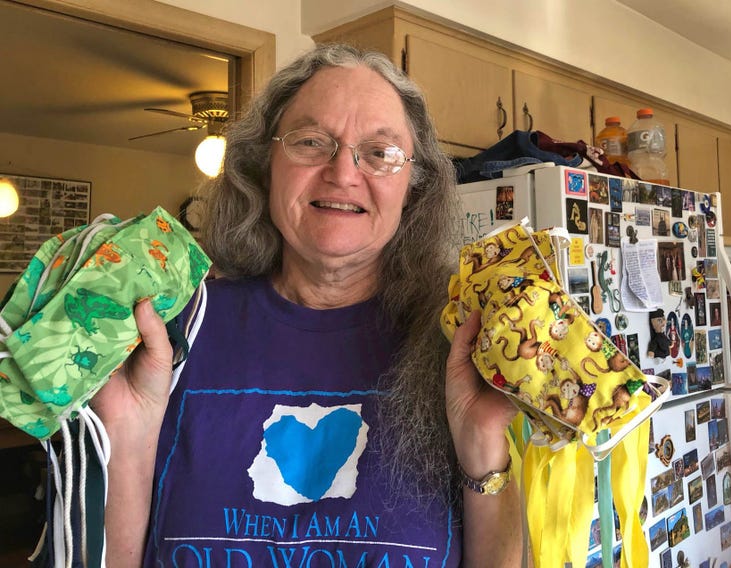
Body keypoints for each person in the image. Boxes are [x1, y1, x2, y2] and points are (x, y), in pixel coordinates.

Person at [91, 44, 522, 567]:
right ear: (264, 165)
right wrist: (124, 431)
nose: (343, 172)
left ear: (413, 186)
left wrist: (482, 444)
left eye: (380, 153)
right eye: (312, 142)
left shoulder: (458, 342)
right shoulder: (174, 328)